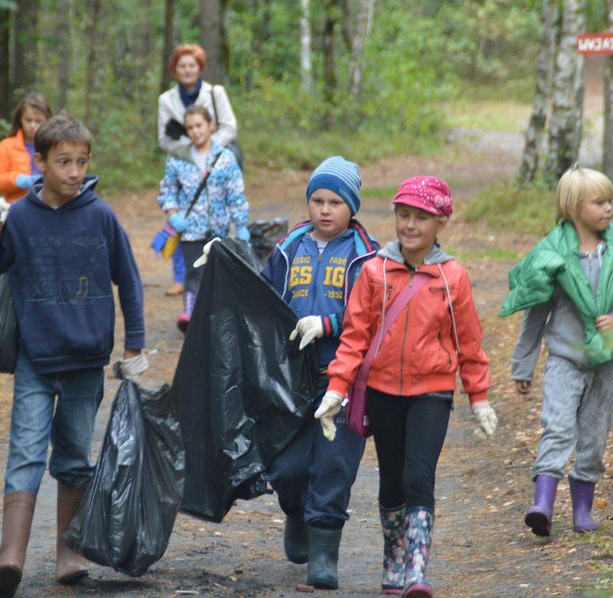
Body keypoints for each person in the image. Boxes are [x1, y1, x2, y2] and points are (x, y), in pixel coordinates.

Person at [0, 114, 148, 597]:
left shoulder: (100, 216)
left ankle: (68, 553)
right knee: (25, 451)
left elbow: (129, 279)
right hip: (36, 355)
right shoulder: (23, 217)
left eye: (82, 162)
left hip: (85, 358)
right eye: (64, 162)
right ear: (41, 162)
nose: (74, 172)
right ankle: (10, 554)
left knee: (74, 456)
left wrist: (134, 341)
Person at [314, 176, 497, 598]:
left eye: (421, 218)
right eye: (403, 216)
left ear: (440, 224)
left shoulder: (453, 277)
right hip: (380, 391)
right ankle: (393, 560)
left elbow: (468, 342)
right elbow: (355, 336)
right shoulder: (375, 270)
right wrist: (336, 389)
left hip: (431, 391)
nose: (410, 225)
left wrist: (479, 396)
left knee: (419, 475)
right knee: (393, 480)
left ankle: (416, 570)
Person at [499, 166, 613, 538]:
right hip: (564, 359)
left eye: (609, 200)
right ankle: (542, 504)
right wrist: (523, 366)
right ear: (574, 207)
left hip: (608, 363)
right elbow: (535, 313)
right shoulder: (553, 256)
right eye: (599, 202)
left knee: (593, 435)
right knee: (557, 428)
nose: (609, 208)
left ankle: (582, 510)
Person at [258, 156, 380, 590]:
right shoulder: (288, 248)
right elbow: (262, 298)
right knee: (287, 464)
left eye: (335, 202)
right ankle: (295, 513)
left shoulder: (368, 256)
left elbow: (374, 316)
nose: (325, 210)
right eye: (317, 200)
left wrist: (326, 324)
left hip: (344, 376)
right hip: (290, 378)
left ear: (352, 207)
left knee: (334, 465)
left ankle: (324, 554)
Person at [157, 104, 248, 333]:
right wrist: (173, 214)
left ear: (210, 126)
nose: (195, 131)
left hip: (219, 229)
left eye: (199, 125)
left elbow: (235, 193)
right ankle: (189, 314)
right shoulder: (178, 158)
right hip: (190, 229)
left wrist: (241, 223)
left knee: (217, 272)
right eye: (190, 127)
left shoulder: (225, 158)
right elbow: (168, 191)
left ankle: (215, 316)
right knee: (194, 272)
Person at [157, 43, 238, 297]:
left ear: (200, 67)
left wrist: (210, 150)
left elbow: (229, 126)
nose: (187, 70)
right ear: (175, 70)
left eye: (192, 65)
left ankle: (221, 273)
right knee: (181, 218)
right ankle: (182, 277)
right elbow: (164, 138)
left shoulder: (215, 93)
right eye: (182, 66)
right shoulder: (166, 100)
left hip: (215, 159)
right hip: (183, 163)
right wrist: (190, 148)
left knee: (218, 212)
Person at [0, 93, 53, 203]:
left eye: (38, 121)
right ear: (20, 120)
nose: (32, 125)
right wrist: (16, 179)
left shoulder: (55, 146)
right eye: (28, 120)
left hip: (49, 207)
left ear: (47, 120)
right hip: (15, 207)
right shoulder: (6, 146)